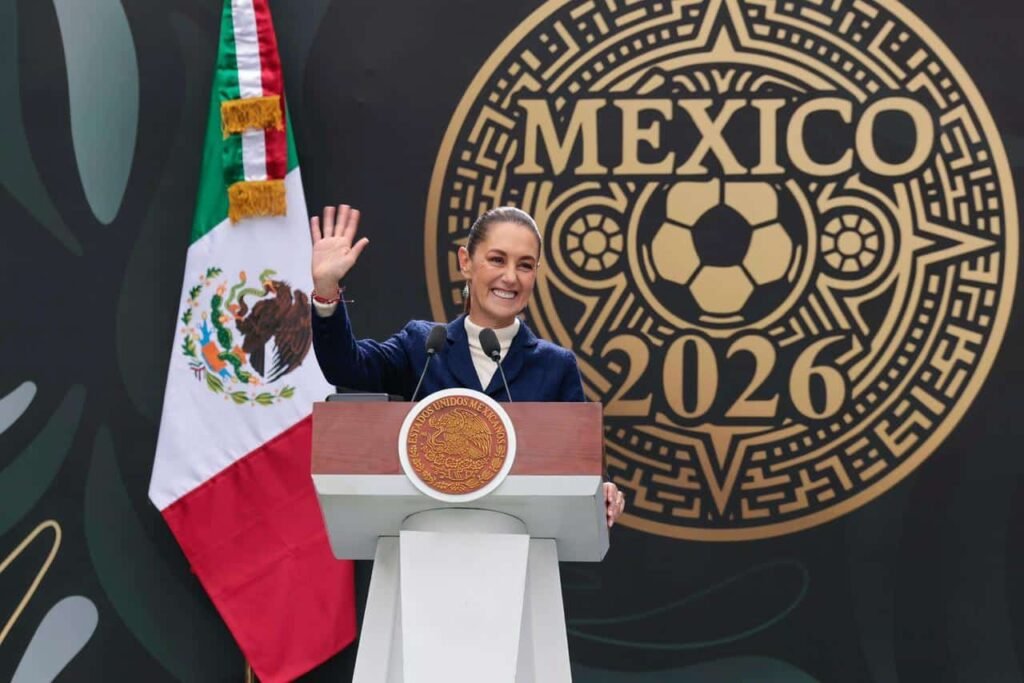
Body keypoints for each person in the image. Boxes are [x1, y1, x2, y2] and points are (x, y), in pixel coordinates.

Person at [308, 204, 626, 527]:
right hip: (427, 538)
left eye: (525, 265)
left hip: (522, 545)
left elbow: (582, 468)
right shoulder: (423, 346)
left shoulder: (555, 367)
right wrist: (326, 290)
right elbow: (345, 367)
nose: (510, 277)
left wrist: (604, 490)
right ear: (465, 262)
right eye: (497, 259)